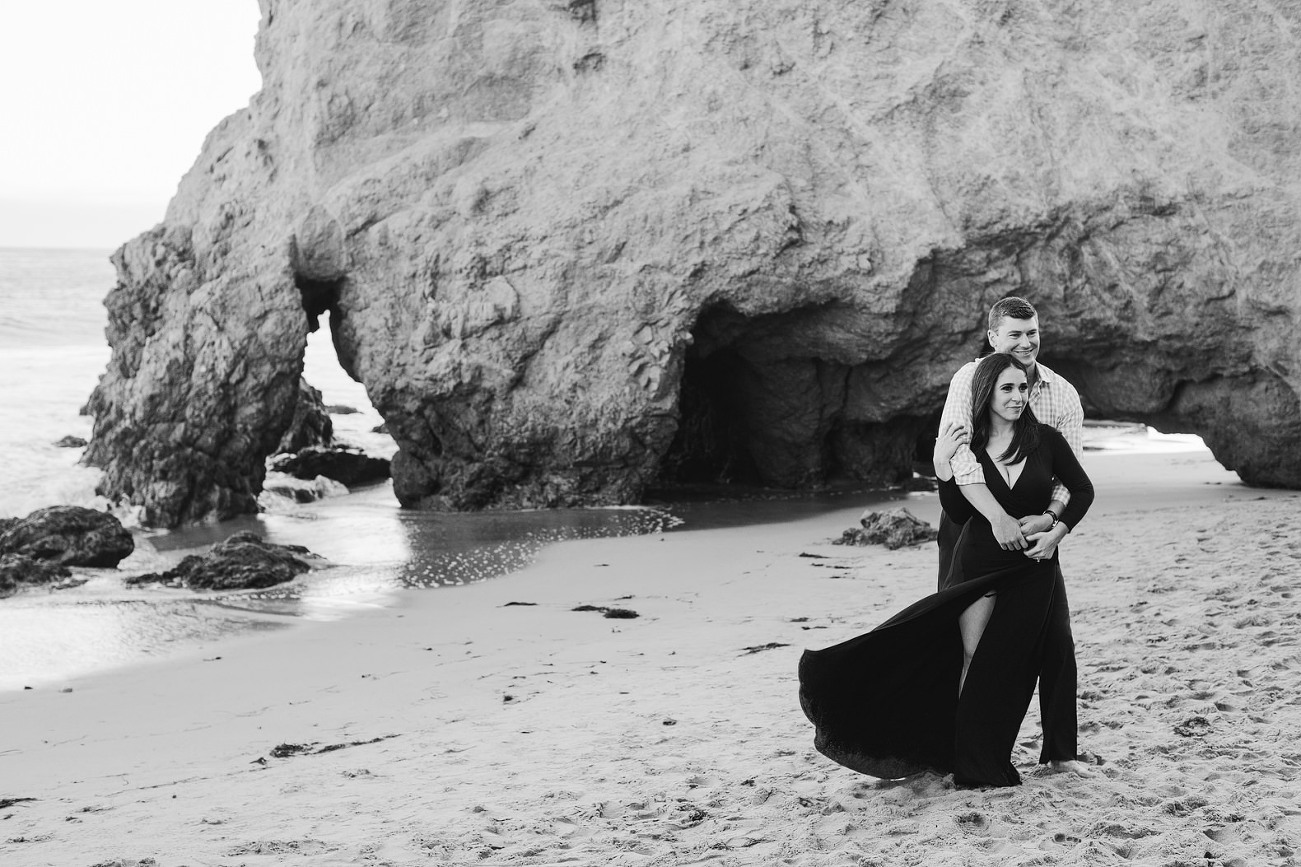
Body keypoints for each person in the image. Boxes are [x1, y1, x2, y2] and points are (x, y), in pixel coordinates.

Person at [798, 353, 1094, 787]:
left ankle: (997, 752)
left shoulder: (1046, 440)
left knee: (1010, 663)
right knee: (971, 657)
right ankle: (963, 755)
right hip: (978, 565)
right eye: (1006, 389)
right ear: (987, 393)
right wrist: (940, 466)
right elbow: (957, 510)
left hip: (1032, 567)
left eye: (1022, 388)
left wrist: (1055, 526)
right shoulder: (969, 446)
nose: (1016, 396)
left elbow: (1083, 489)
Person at [936, 297, 1084, 589]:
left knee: (1033, 618)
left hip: (1032, 521)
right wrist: (997, 517)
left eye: (1032, 333)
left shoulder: (1064, 394)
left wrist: (1049, 518)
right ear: (993, 338)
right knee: (955, 611)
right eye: (1014, 335)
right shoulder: (968, 378)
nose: (1025, 343)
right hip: (970, 512)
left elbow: (1070, 472)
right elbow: (959, 453)